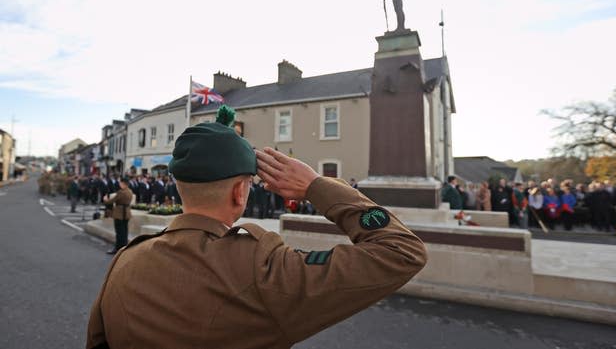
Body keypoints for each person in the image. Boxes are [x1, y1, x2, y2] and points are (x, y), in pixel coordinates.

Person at [86, 108, 427, 349]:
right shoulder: (263, 269)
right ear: (240, 191)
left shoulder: (125, 261)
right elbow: (402, 251)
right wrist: (315, 186)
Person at [102, 178, 133, 254]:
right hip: (127, 213)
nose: (119, 184)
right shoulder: (130, 191)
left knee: (119, 232)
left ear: (123, 183)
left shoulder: (121, 192)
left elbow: (111, 201)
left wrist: (105, 199)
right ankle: (124, 246)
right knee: (125, 231)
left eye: (120, 183)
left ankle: (118, 248)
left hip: (119, 213)